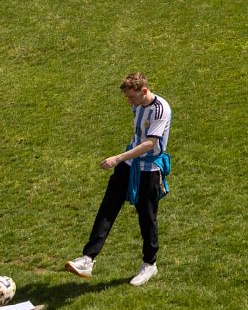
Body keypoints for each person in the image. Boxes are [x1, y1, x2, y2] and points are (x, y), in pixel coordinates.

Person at [65, 72, 171, 288]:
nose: (129, 102)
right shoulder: (137, 105)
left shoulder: (160, 109)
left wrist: (118, 158)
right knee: (108, 207)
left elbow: (150, 143)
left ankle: (149, 263)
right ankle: (88, 258)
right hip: (129, 165)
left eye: (131, 97)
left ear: (143, 91)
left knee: (147, 217)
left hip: (149, 169)